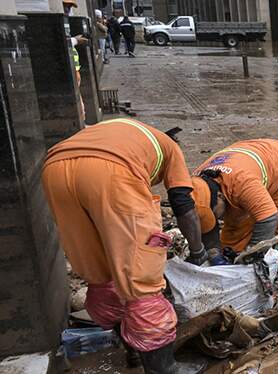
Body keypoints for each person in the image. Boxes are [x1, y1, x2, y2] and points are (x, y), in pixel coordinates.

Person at [41, 119, 208, 373]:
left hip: (54, 169)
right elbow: (183, 204)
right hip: (112, 171)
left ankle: (134, 352)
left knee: (102, 275)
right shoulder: (171, 149)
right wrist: (198, 251)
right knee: (142, 284)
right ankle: (164, 369)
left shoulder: (125, 132)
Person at [190, 139, 278, 267]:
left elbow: (268, 218)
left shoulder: (242, 182)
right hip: (245, 164)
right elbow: (208, 228)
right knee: (234, 235)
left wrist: (252, 254)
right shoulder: (194, 184)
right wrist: (215, 255)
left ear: (219, 196)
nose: (216, 219)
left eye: (214, 214)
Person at [63, 0, 87, 122]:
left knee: (80, 104)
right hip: (69, 74)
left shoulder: (66, 25)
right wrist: (76, 41)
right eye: (65, 7)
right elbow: (61, 43)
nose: (67, 11)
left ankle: (82, 123)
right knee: (78, 106)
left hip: (75, 73)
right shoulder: (61, 25)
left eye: (69, 7)